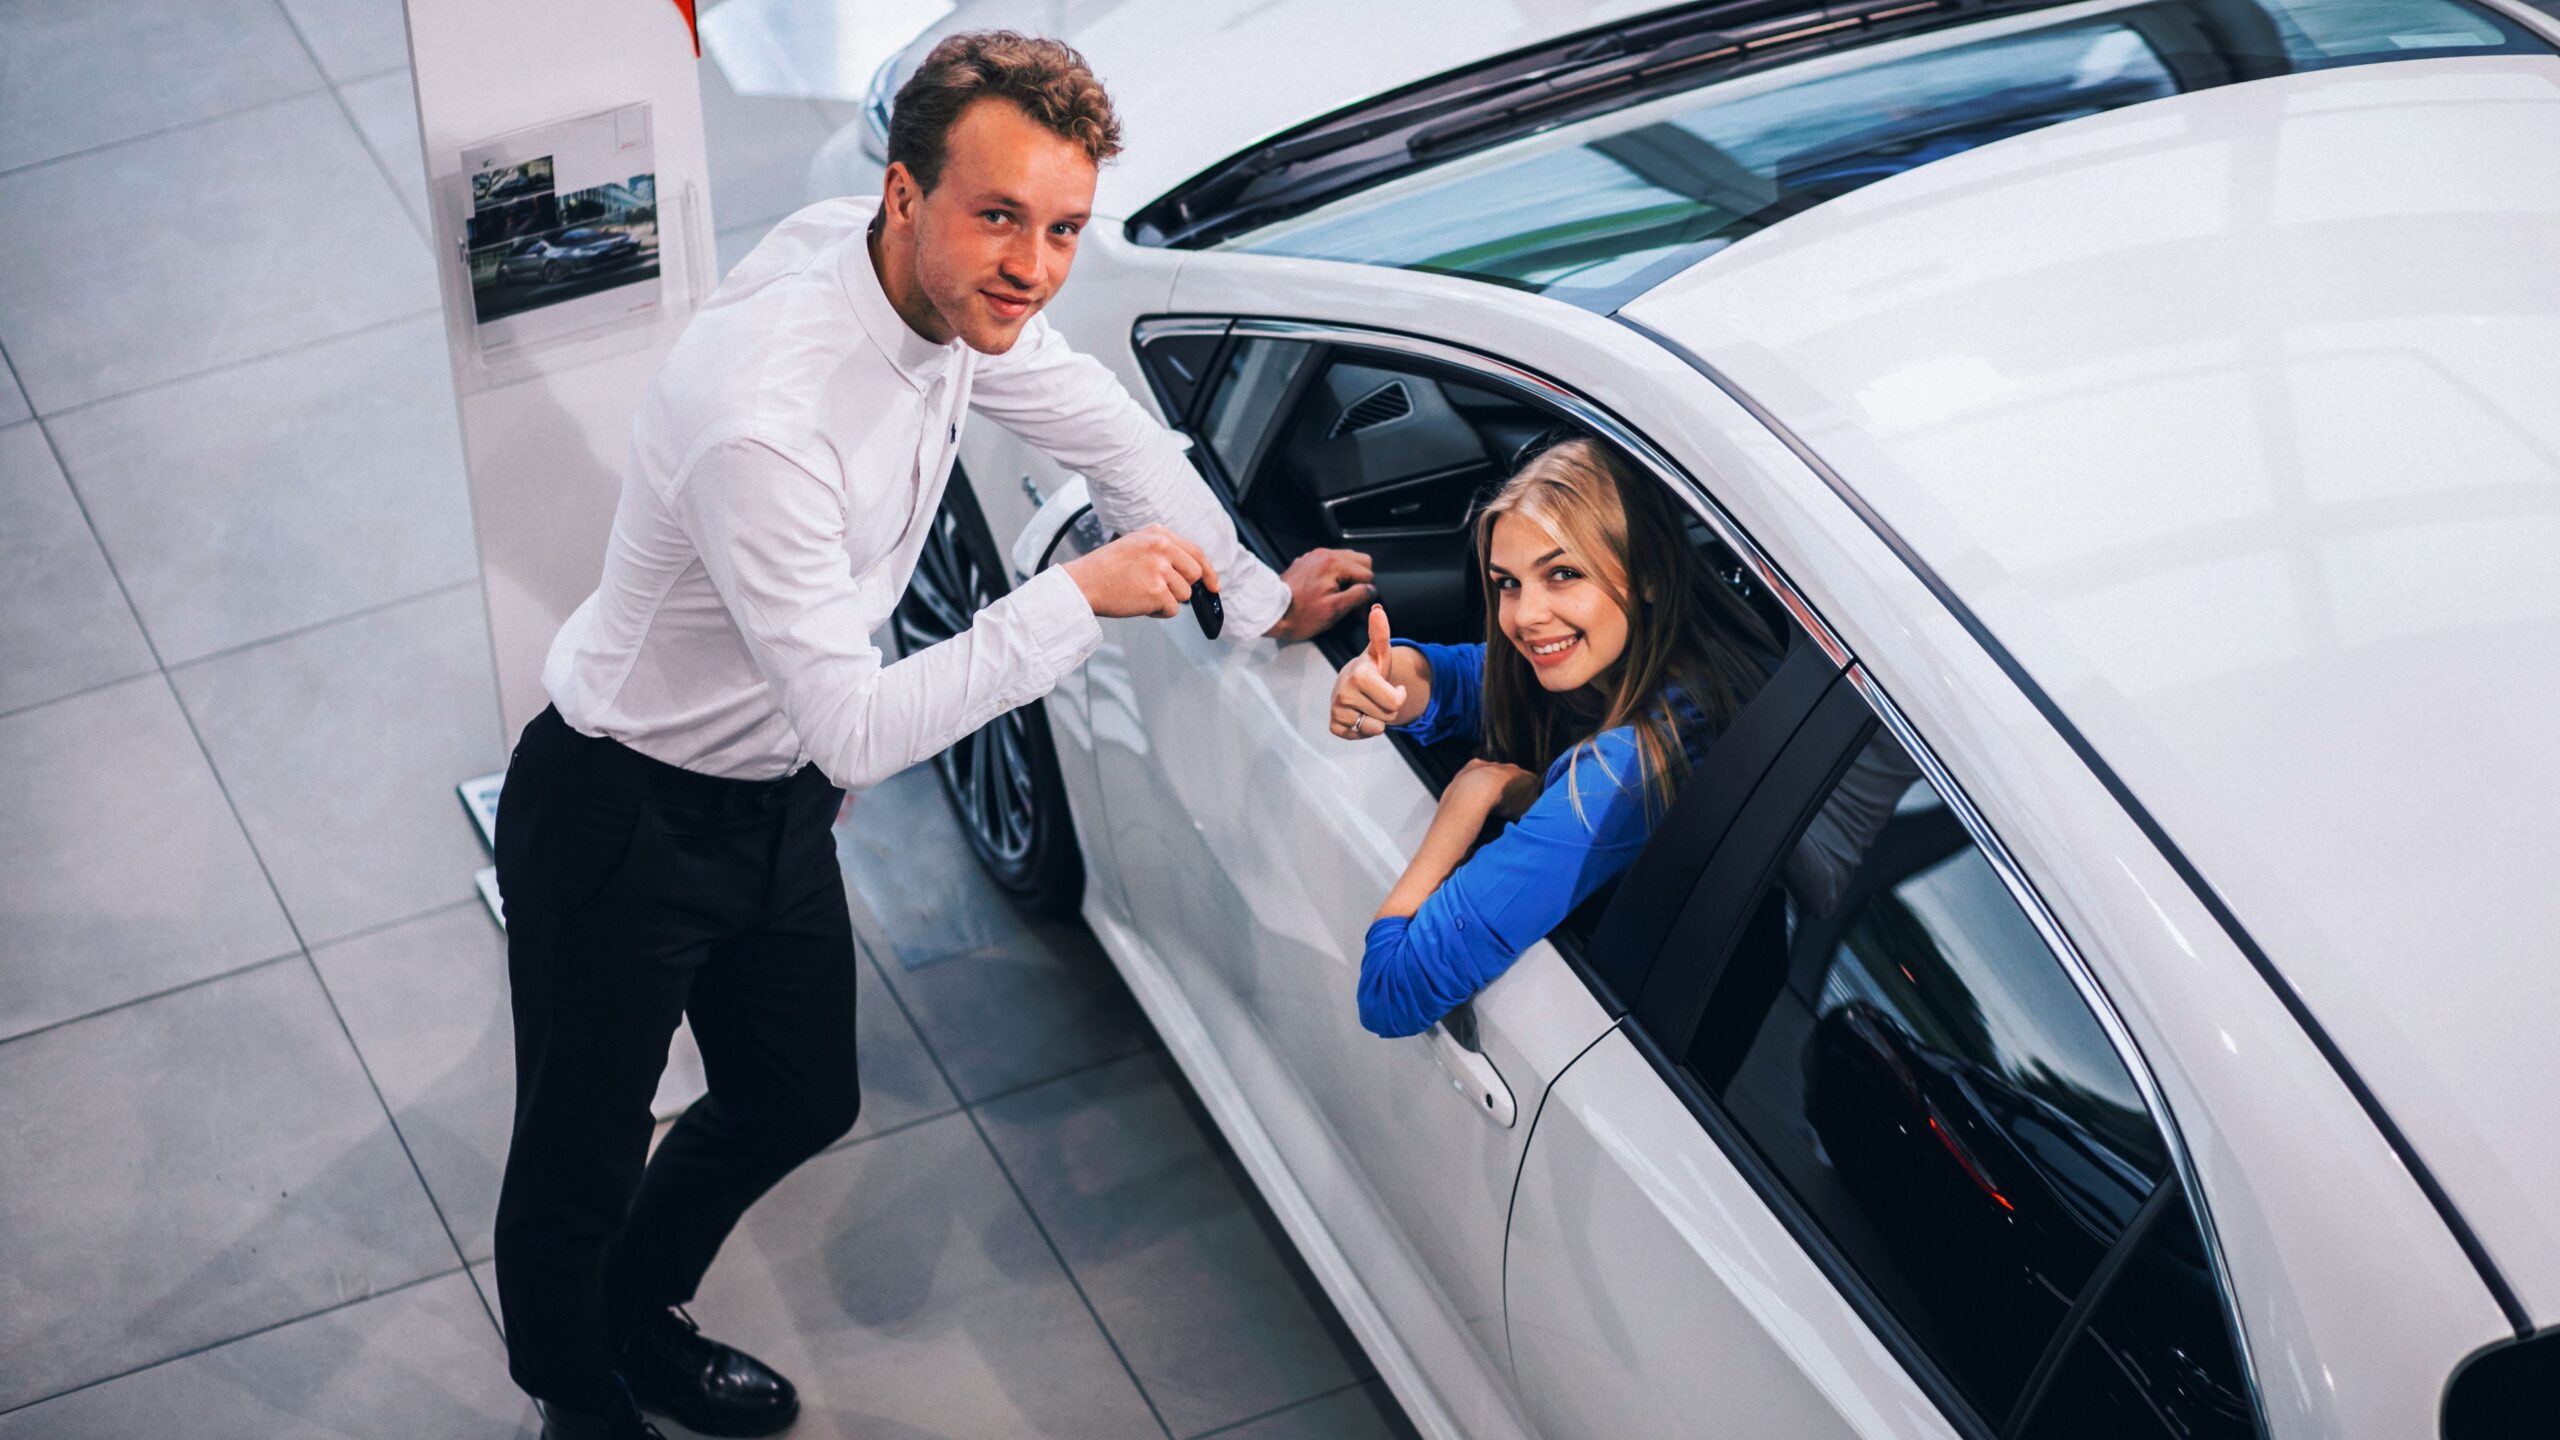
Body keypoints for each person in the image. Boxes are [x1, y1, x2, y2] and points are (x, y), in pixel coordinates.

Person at [492, 32, 1374, 1440]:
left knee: (794, 1095)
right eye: (1001, 217)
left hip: (768, 807)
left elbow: (1111, 432)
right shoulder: (765, 418)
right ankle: (578, 1400)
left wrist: (1256, 600)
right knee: (578, 1160)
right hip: (620, 815)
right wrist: (1073, 597)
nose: (1033, 265)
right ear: (902, 196)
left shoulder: (950, 304)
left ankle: (635, 1316)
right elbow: (852, 722)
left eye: (1064, 228)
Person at [1327, 438, 1772, 1038]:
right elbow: (1467, 678)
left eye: (1562, 574)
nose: (1526, 616)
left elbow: (1389, 991)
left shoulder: (1623, 775)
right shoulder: (1662, 664)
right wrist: (1383, 677)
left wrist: (1461, 810)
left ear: (1644, 574)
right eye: (1508, 583)